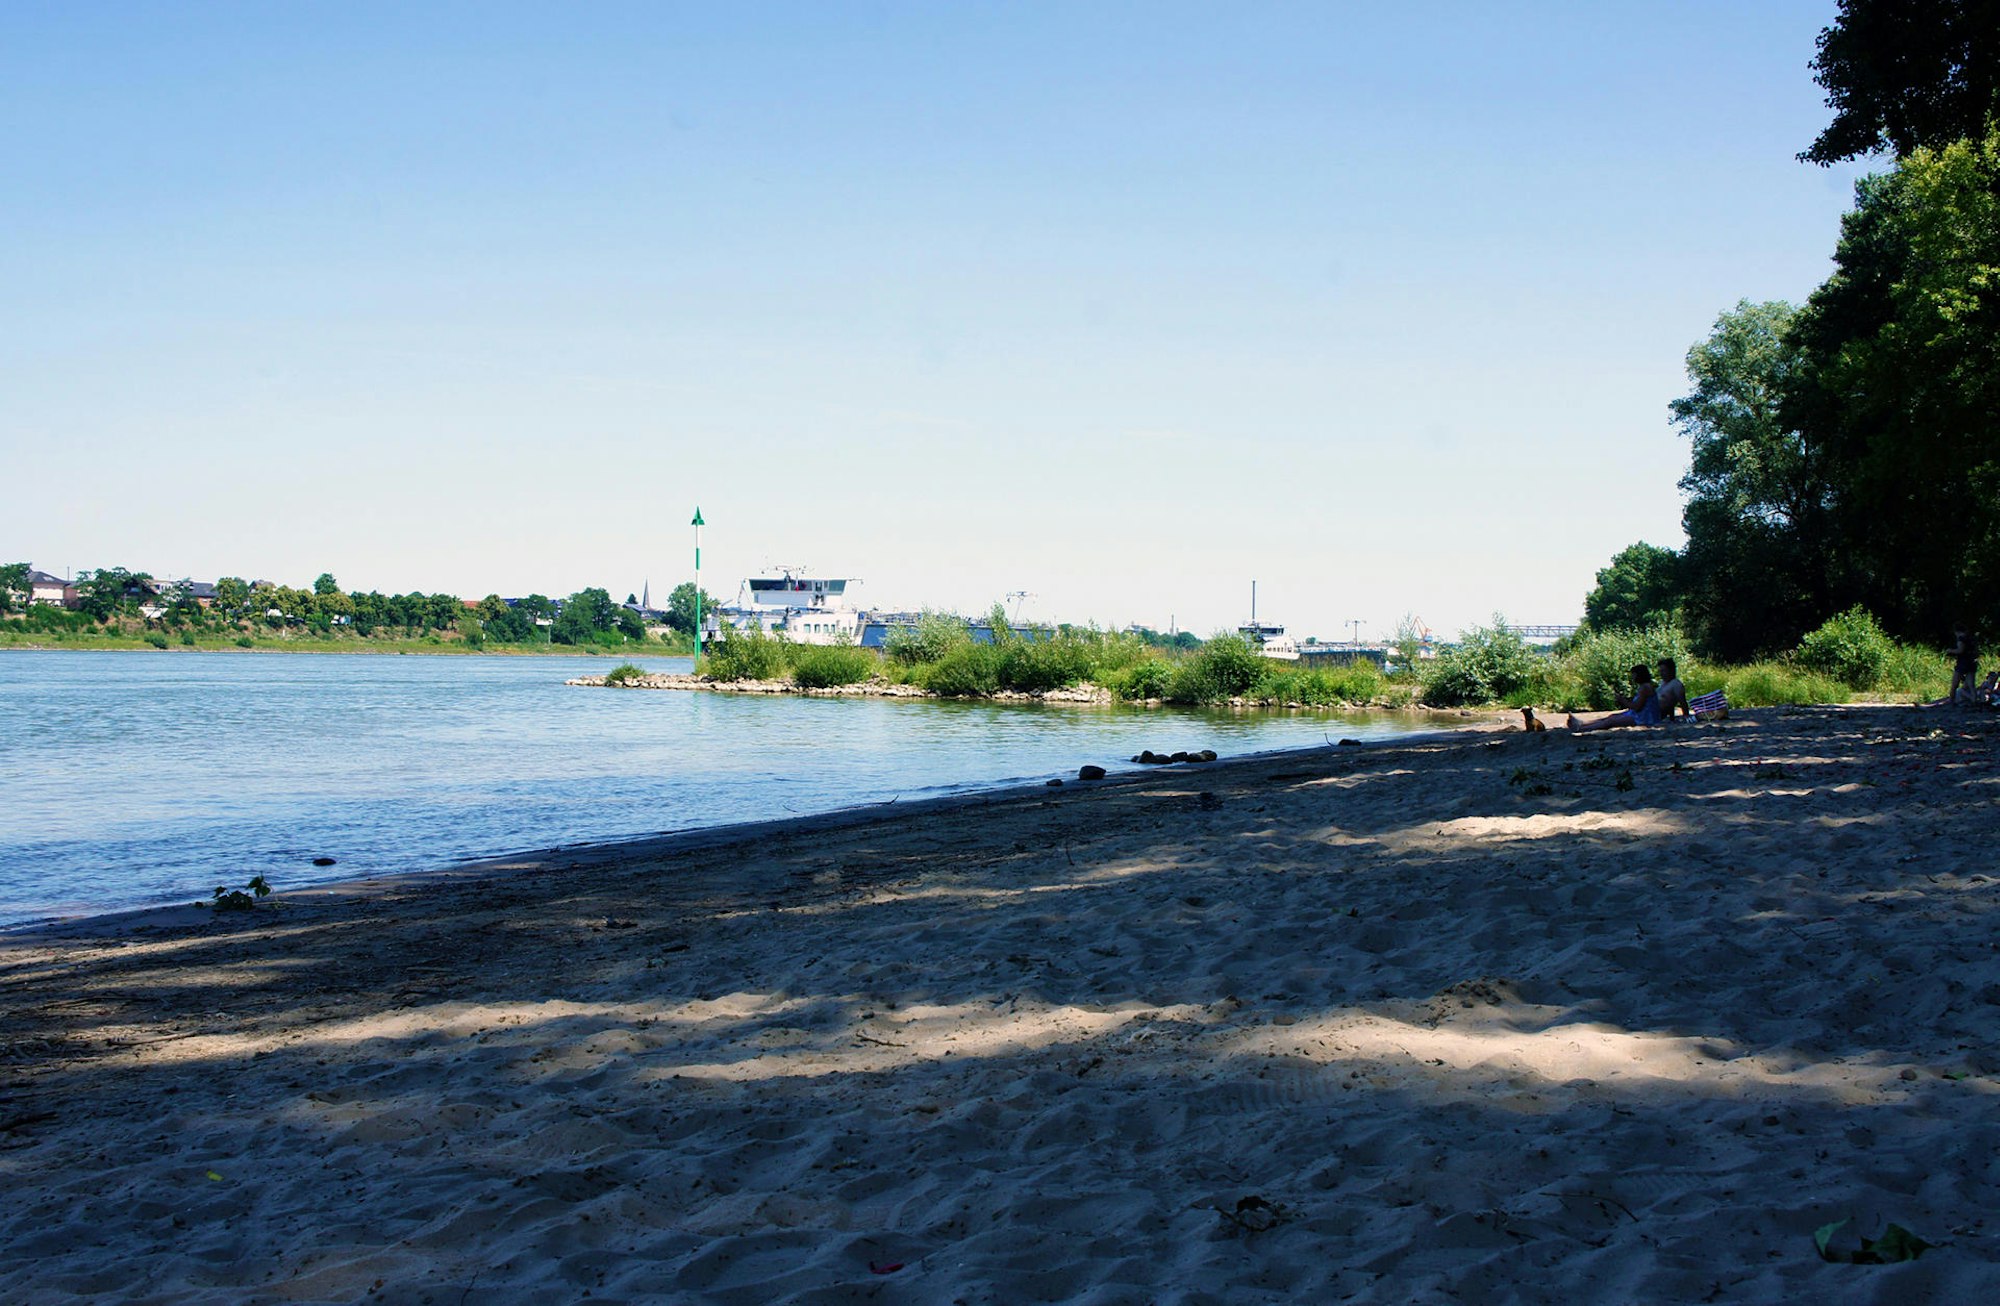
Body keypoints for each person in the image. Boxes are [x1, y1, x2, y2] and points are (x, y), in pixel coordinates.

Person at [1567, 664, 1659, 733]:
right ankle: (1583, 724)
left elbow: (1637, 707)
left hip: (1644, 718)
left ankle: (1582, 728)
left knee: (1611, 721)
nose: (1632, 677)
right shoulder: (1645, 686)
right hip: (1642, 715)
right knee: (1612, 717)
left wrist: (1622, 701)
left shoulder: (1645, 688)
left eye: (1634, 675)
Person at [1949, 625, 1980, 704]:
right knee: (1971, 685)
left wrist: (1950, 651)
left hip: (1962, 663)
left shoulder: (1961, 638)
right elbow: (1976, 651)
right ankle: (1974, 700)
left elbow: (1960, 650)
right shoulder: (1972, 638)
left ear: (1956, 632)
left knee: (1955, 684)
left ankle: (1951, 700)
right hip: (1972, 662)